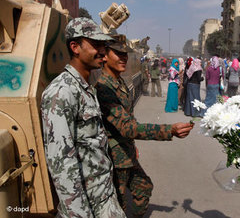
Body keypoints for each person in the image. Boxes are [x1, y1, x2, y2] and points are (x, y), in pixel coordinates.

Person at [95, 36, 194, 217]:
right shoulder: (103, 88)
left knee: (143, 187)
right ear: (104, 56)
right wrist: (169, 130)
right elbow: (128, 127)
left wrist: (132, 146)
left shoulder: (118, 81)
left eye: (125, 54)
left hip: (126, 151)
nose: (123, 58)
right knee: (119, 205)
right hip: (115, 159)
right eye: (117, 54)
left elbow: (128, 122)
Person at [41, 17, 126, 217]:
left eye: (103, 45)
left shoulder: (84, 87)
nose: (103, 52)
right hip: (86, 205)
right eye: (96, 45)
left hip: (104, 195)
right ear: (75, 47)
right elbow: (61, 164)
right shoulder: (61, 92)